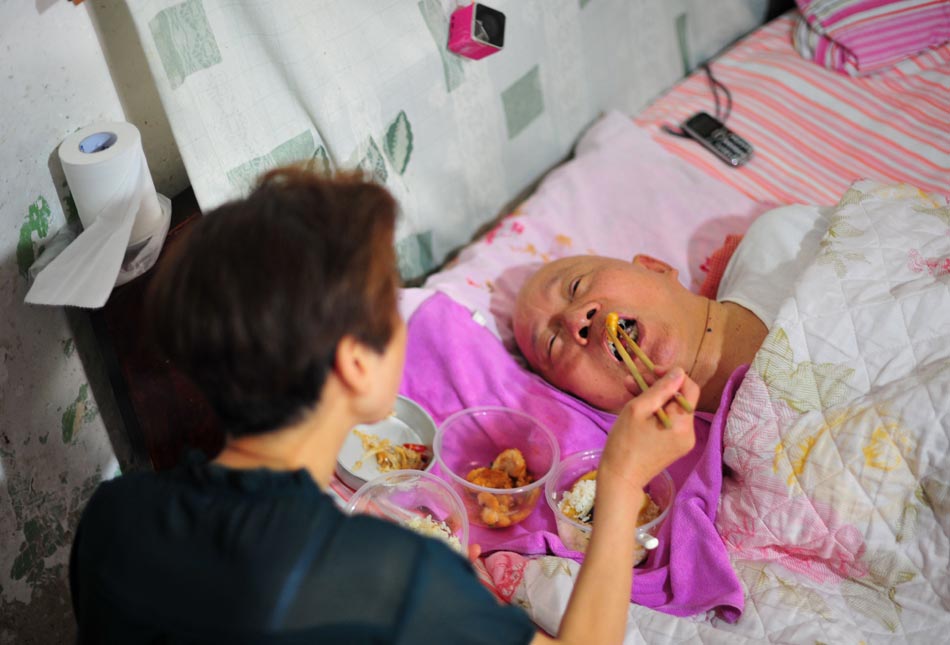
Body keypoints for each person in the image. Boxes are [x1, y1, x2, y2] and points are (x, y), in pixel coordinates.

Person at [69, 166, 698, 644]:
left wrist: (451, 608)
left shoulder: (110, 520)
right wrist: (620, 483)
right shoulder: (395, 578)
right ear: (356, 364)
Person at [512, 204, 828, 414]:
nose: (574, 320)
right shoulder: (700, 490)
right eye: (552, 344)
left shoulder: (783, 238)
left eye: (576, 286)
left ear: (655, 266)